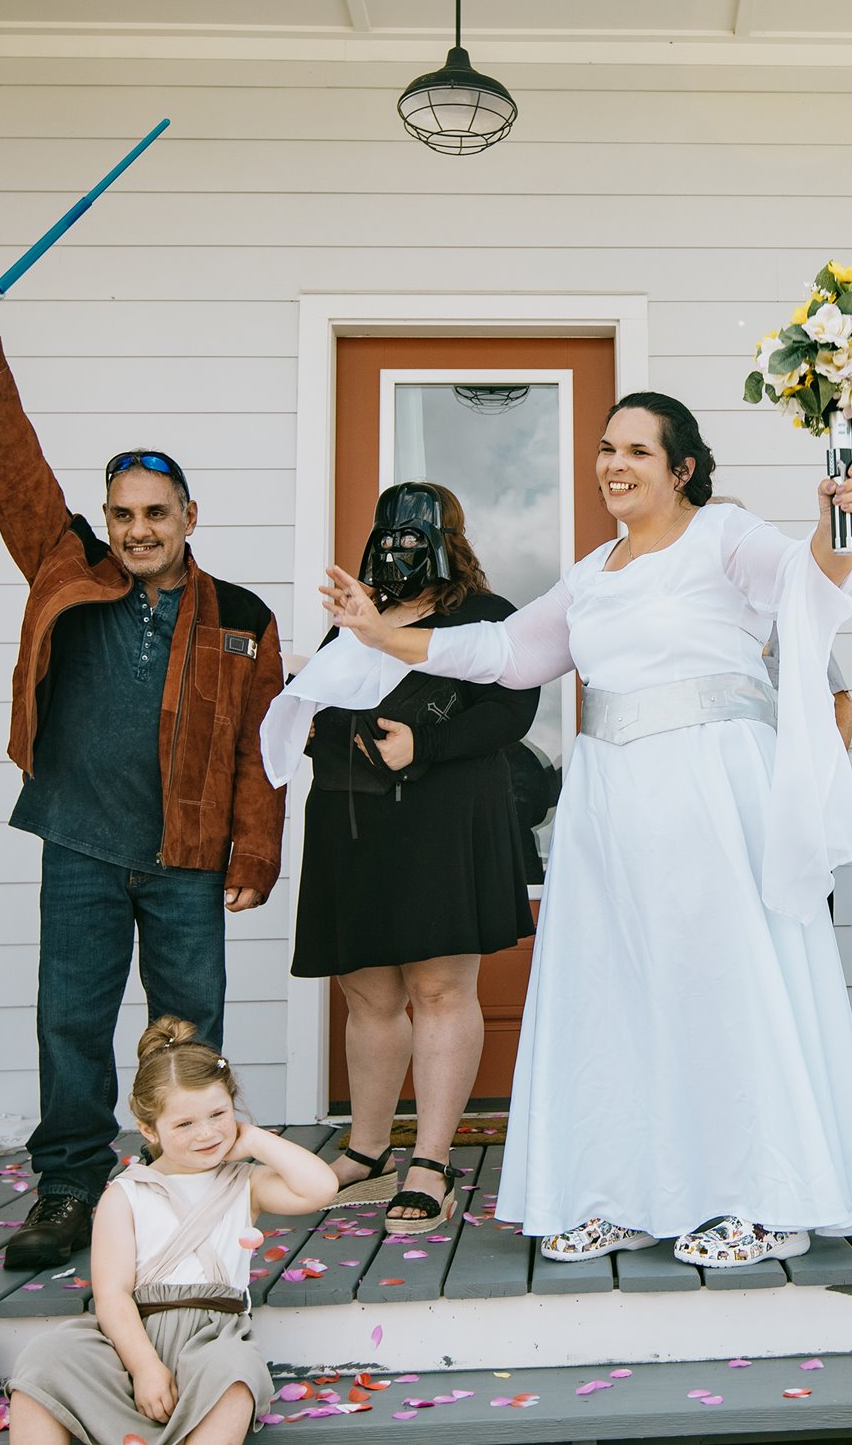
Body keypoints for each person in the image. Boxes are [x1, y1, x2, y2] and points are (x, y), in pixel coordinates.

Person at [290, 390, 852, 1269]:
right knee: (616, 989)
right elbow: (503, 653)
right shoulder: (591, 571)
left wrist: (841, 525)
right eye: (607, 448)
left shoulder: (723, 536)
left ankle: (760, 1196)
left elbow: (808, 580)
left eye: (638, 452)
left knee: (717, 985)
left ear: (682, 468)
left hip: (711, 793)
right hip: (612, 801)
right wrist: (383, 634)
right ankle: (624, 1188)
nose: (614, 464)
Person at [0, 297, 287, 1268]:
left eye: (156, 515)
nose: (139, 531)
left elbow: (263, 745)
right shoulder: (67, 570)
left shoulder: (244, 616)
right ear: (108, 519)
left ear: (188, 518)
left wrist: (257, 848)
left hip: (186, 859)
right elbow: (14, 471)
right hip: (82, 838)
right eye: (124, 514)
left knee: (189, 1033)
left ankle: (194, 1187)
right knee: (72, 1023)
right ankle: (68, 1188)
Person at [295, 482, 537, 1234]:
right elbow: (335, 699)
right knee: (366, 992)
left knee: (438, 989)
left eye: (412, 535)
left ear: (446, 538)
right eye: (387, 534)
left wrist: (425, 744)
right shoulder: (358, 619)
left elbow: (512, 708)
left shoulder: (489, 618)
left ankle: (430, 1160)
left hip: (443, 820)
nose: (397, 547)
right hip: (351, 820)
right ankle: (367, 1154)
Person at [6, 1018, 339, 1445]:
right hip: (132, 1339)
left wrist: (253, 1139)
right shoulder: (125, 1194)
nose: (206, 1133)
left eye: (218, 1115)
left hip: (211, 1338)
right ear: (149, 1130)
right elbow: (112, 1295)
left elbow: (321, 1188)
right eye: (184, 1124)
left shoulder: (244, 1183)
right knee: (45, 1359)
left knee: (234, 1377)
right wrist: (145, 1367)